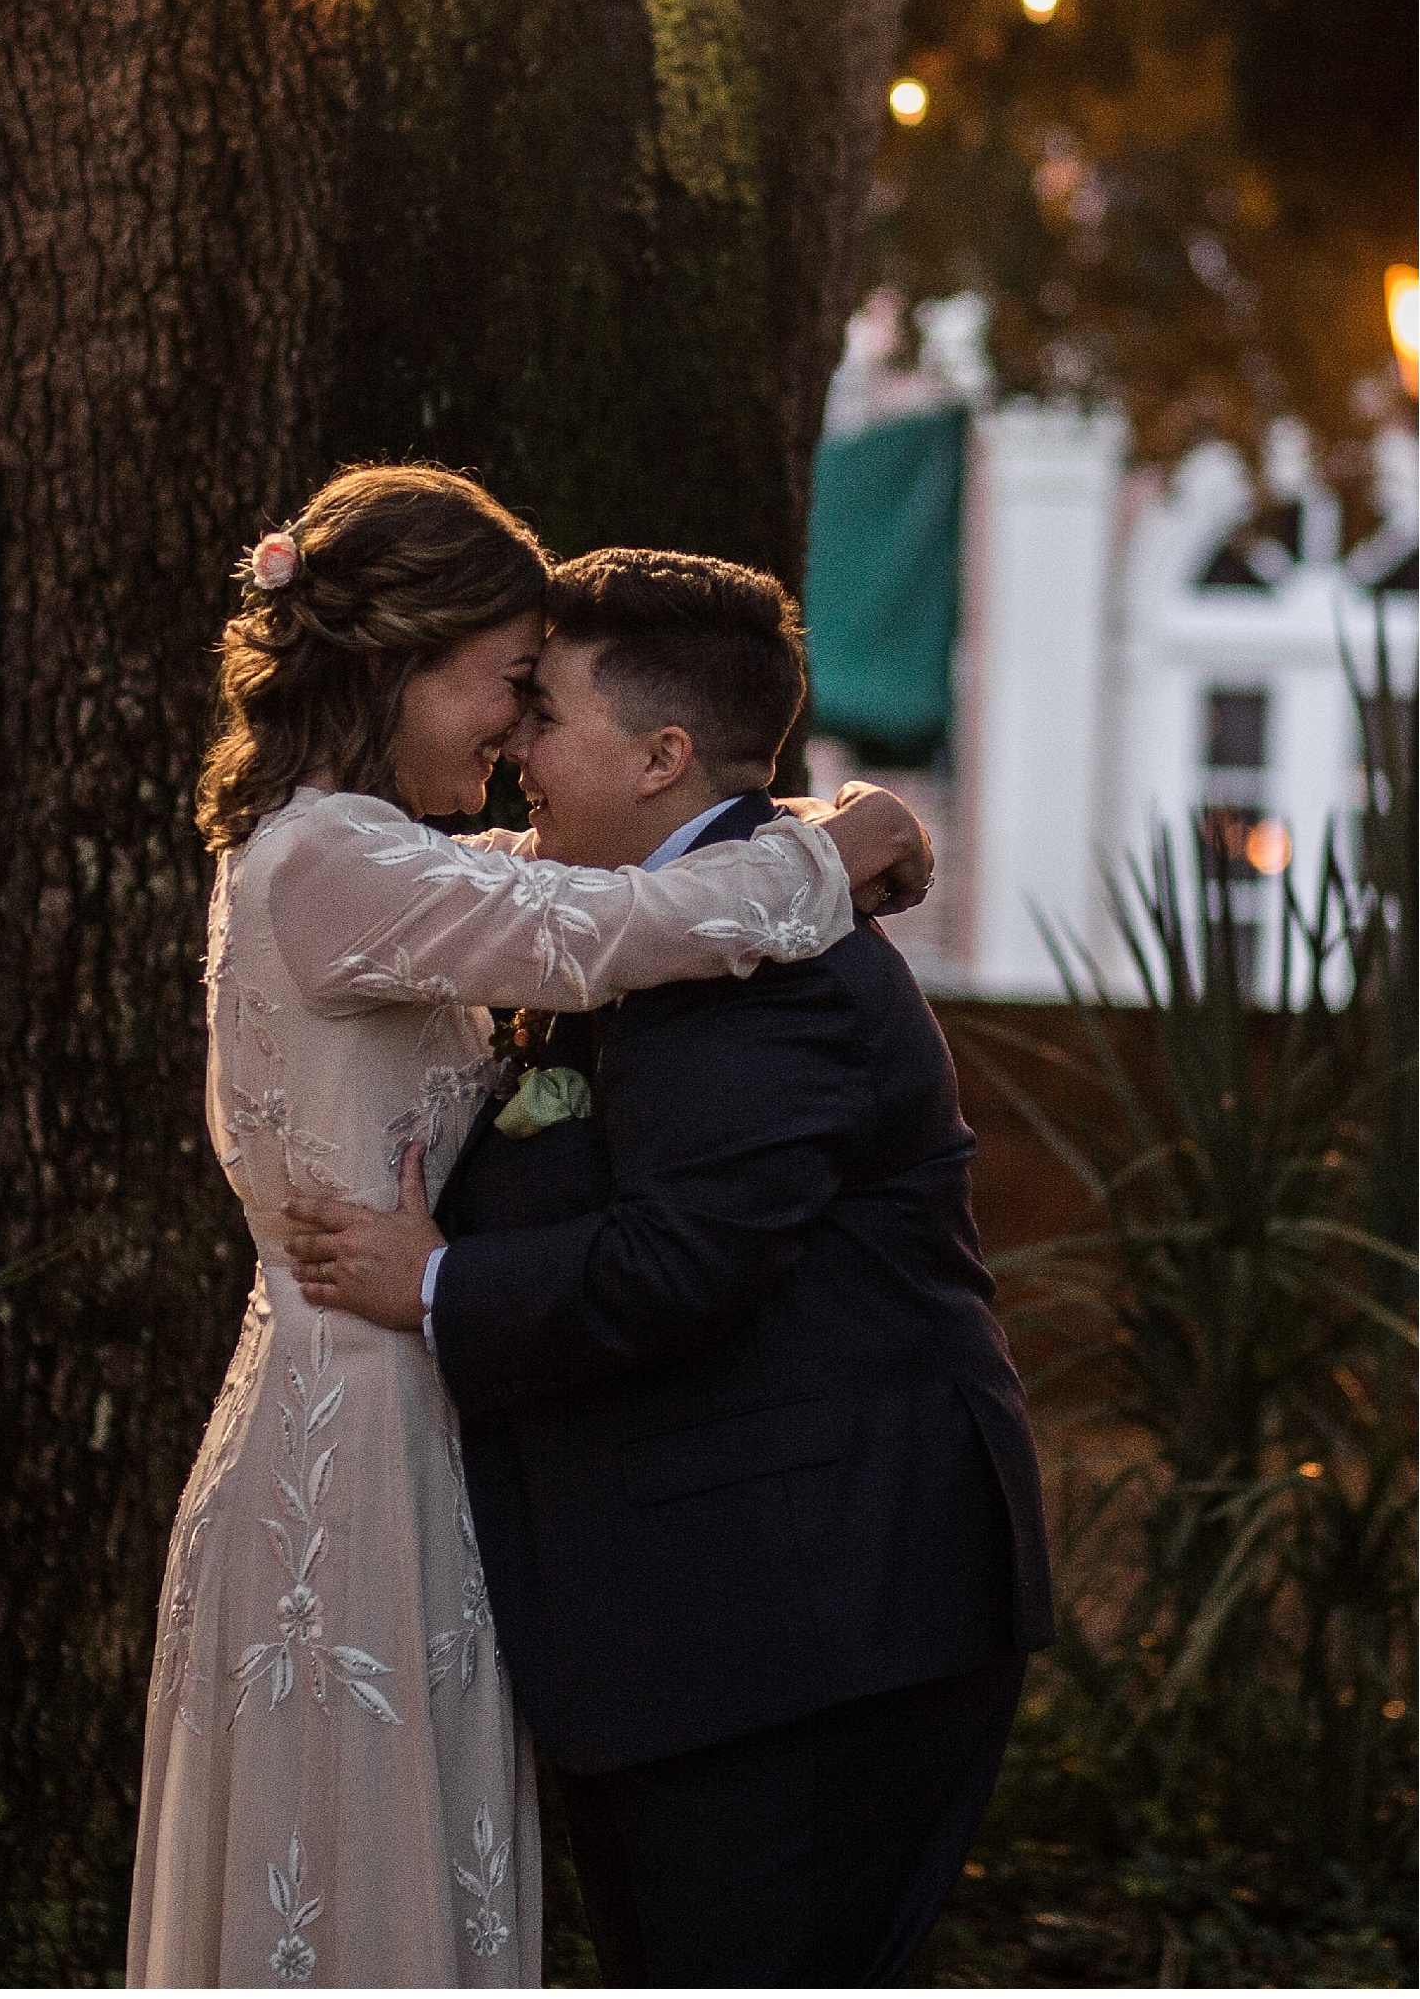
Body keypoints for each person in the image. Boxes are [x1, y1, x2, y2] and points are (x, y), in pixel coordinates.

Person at [125, 469, 931, 1989]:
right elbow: (615, 926)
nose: (512, 732)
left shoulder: (374, 858)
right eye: (506, 684)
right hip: (345, 1449)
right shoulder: (329, 863)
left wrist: (802, 821)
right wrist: (835, 842)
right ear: (405, 665)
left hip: (412, 1412)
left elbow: (605, 877)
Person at [287, 546, 1054, 1989]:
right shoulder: (654, 918)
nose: (516, 742)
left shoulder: (764, 961)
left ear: (661, 754)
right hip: (705, 1624)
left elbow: (682, 1258)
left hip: (811, 1623)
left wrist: (437, 1282)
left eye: (546, 711)